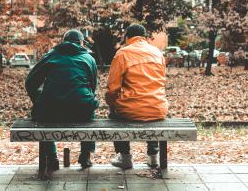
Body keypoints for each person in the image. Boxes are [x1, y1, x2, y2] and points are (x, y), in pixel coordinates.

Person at [25, 29, 99, 172]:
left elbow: (30, 83)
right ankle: (85, 156)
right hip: (81, 110)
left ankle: (52, 158)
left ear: (63, 42)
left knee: (43, 117)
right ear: (82, 43)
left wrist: (39, 100)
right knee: (89, 108)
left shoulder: (51, 56)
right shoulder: (89, 59)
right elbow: (92, 86)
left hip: (51, 110)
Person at [105, 24, 169, 169]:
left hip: (131, 109)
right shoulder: (157, 53)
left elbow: (112, 88)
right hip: (157, 107)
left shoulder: (123, 53)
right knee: (150, 115)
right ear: (145, 37)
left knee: (114, 114)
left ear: (127, 37)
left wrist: (111, 104)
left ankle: (125, 156)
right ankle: (153, 156)